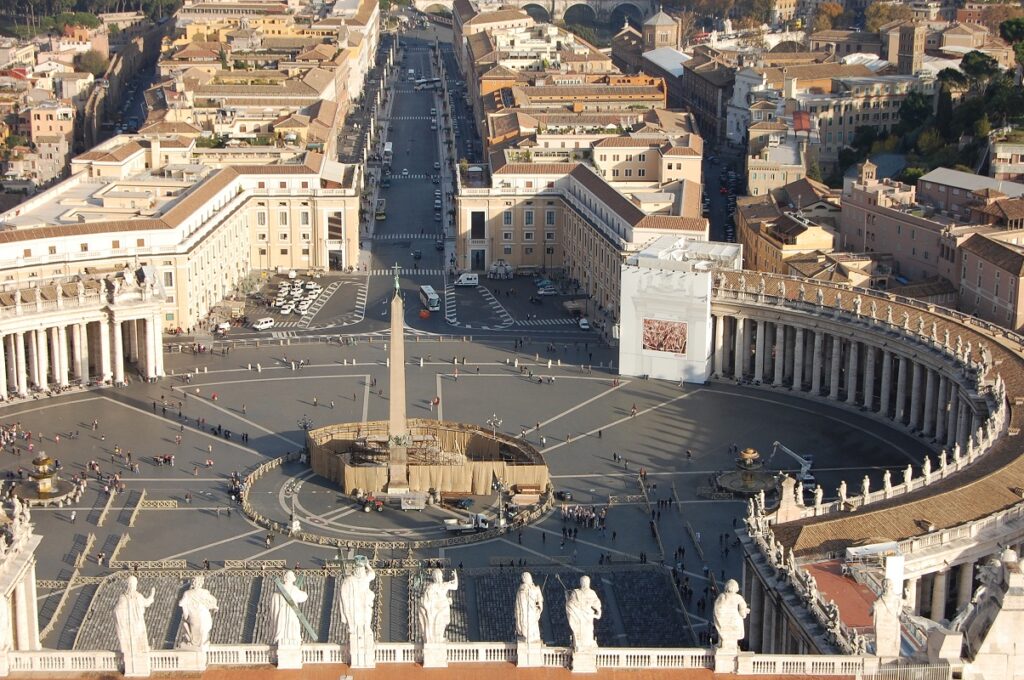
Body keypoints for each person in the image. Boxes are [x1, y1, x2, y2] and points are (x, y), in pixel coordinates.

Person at [339, 562, 376, 664]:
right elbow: (343, 597)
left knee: (365, 627)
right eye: (359, 569)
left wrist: (368, 565)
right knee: (356, 630)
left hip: (364, 608)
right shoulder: (349, 580)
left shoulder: (361, 579)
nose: (360, 571)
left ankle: (363, 647)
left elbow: (372, 574)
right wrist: (343, 613)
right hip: (354, 610)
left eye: (362, 569)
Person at [115, 575, 155, 656]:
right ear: (135, 585)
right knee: (139, 639)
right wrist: (152, 595)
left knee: (133, 641)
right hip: (138, 623)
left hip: (129, 625)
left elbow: (116, 611)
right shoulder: (138, 596)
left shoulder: (123, 598)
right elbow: (147, 602)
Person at [417, 568, 458, 643]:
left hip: (441, 606)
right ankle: (439, 637)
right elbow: (455, 586)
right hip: (441, 606)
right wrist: (455, 577)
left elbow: (427, 598)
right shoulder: (442, 585)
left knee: (442, 622)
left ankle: (439, 637)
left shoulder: (432, 586)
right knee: (441, 622)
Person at [270, 570, 308, 647]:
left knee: (288, 624)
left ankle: (284, 638)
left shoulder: (280, 590)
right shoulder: (293, 589)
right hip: (290, 611)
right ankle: (292, 638)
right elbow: (303, 597)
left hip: (286, 612)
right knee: (292, 624)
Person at [179, 576, 218, 648]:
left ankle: (193, 641)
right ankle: (201, 643)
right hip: (203, 615)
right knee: (204, 630)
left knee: (186, 625)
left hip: (193, 617)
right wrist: (215, 607)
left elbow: (182, 604)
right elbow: (213, 600)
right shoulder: (204, 592)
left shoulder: (187, 593)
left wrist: (185, 616)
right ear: (201, 583)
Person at [565, 575, 602, 651]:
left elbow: (597, 604)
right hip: (581, 616)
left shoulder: (591, 593)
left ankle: (586, 645)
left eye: (586, 582)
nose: (585, 583)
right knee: (582, 632)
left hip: (587, 617)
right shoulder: (576, 592)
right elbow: (570, 604)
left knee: (588, 632)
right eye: (584, 582)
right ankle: (581, 645)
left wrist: (598, 611)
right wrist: (568, 597)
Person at [514, 572, 544, 644]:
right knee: (527, 626)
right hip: (525, 613)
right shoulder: (526, 590)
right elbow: (518, 605)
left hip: (530, 613)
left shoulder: (533, 589)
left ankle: (530, 637)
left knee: (530, 627)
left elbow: (539, 600)